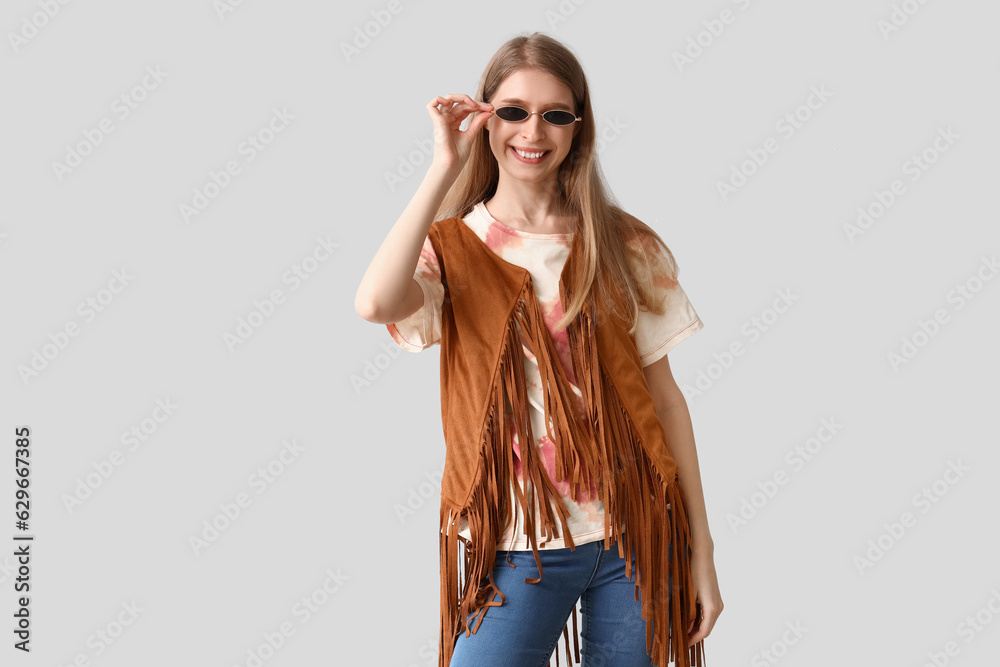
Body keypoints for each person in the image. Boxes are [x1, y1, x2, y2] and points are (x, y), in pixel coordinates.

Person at [356, 31, 722, 667]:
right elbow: (376, 303)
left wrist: (701, 552)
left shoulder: (624, 245)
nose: (534, 130)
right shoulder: (451, 249)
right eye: (514, 111)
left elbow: (664, 399)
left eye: (556, 114)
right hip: (517, 544)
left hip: (638, 533)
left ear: (578, 128)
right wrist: (443, 166)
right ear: (485, 118)